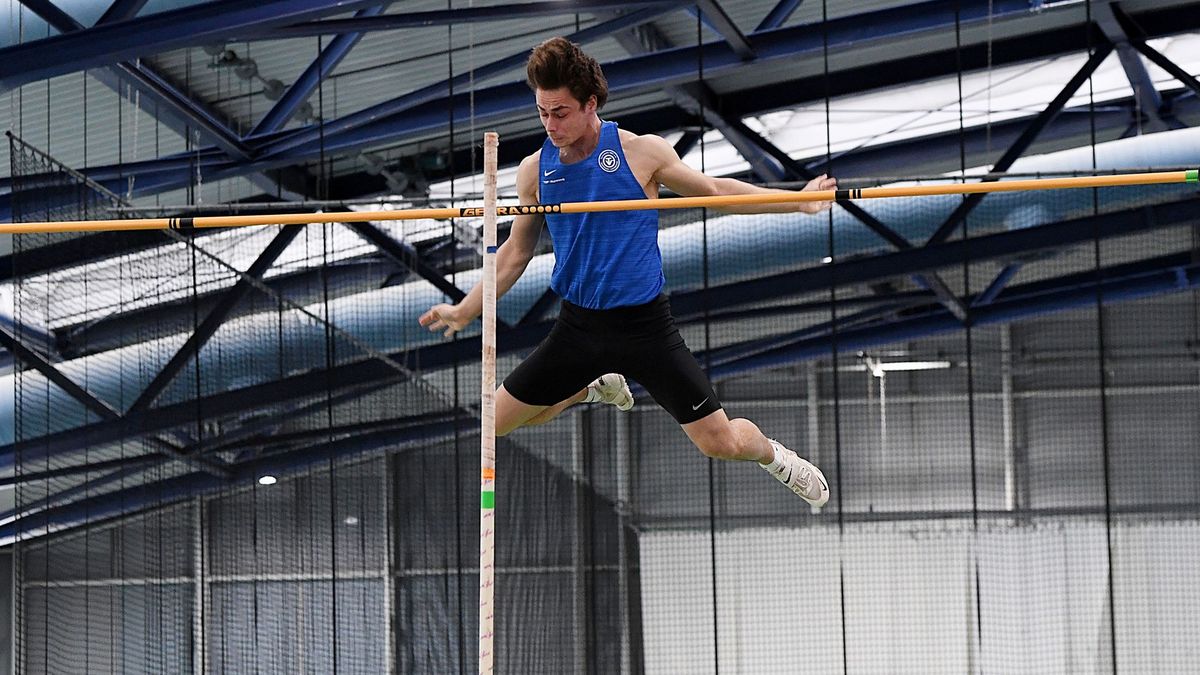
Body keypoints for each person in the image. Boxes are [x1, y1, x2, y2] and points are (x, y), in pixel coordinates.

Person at [420, 37, 834, 507]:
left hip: (645, 329)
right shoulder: (535, 171)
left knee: (721, 444)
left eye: (560, 113)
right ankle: (591, 388)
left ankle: (775, 458)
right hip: (577, 328)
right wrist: (465, 310)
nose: (550, 125)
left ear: (590, 104)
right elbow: (516, 252)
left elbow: (717, 191)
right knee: (495, 423)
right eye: (542, 113)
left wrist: (796, 201)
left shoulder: (641, 153)